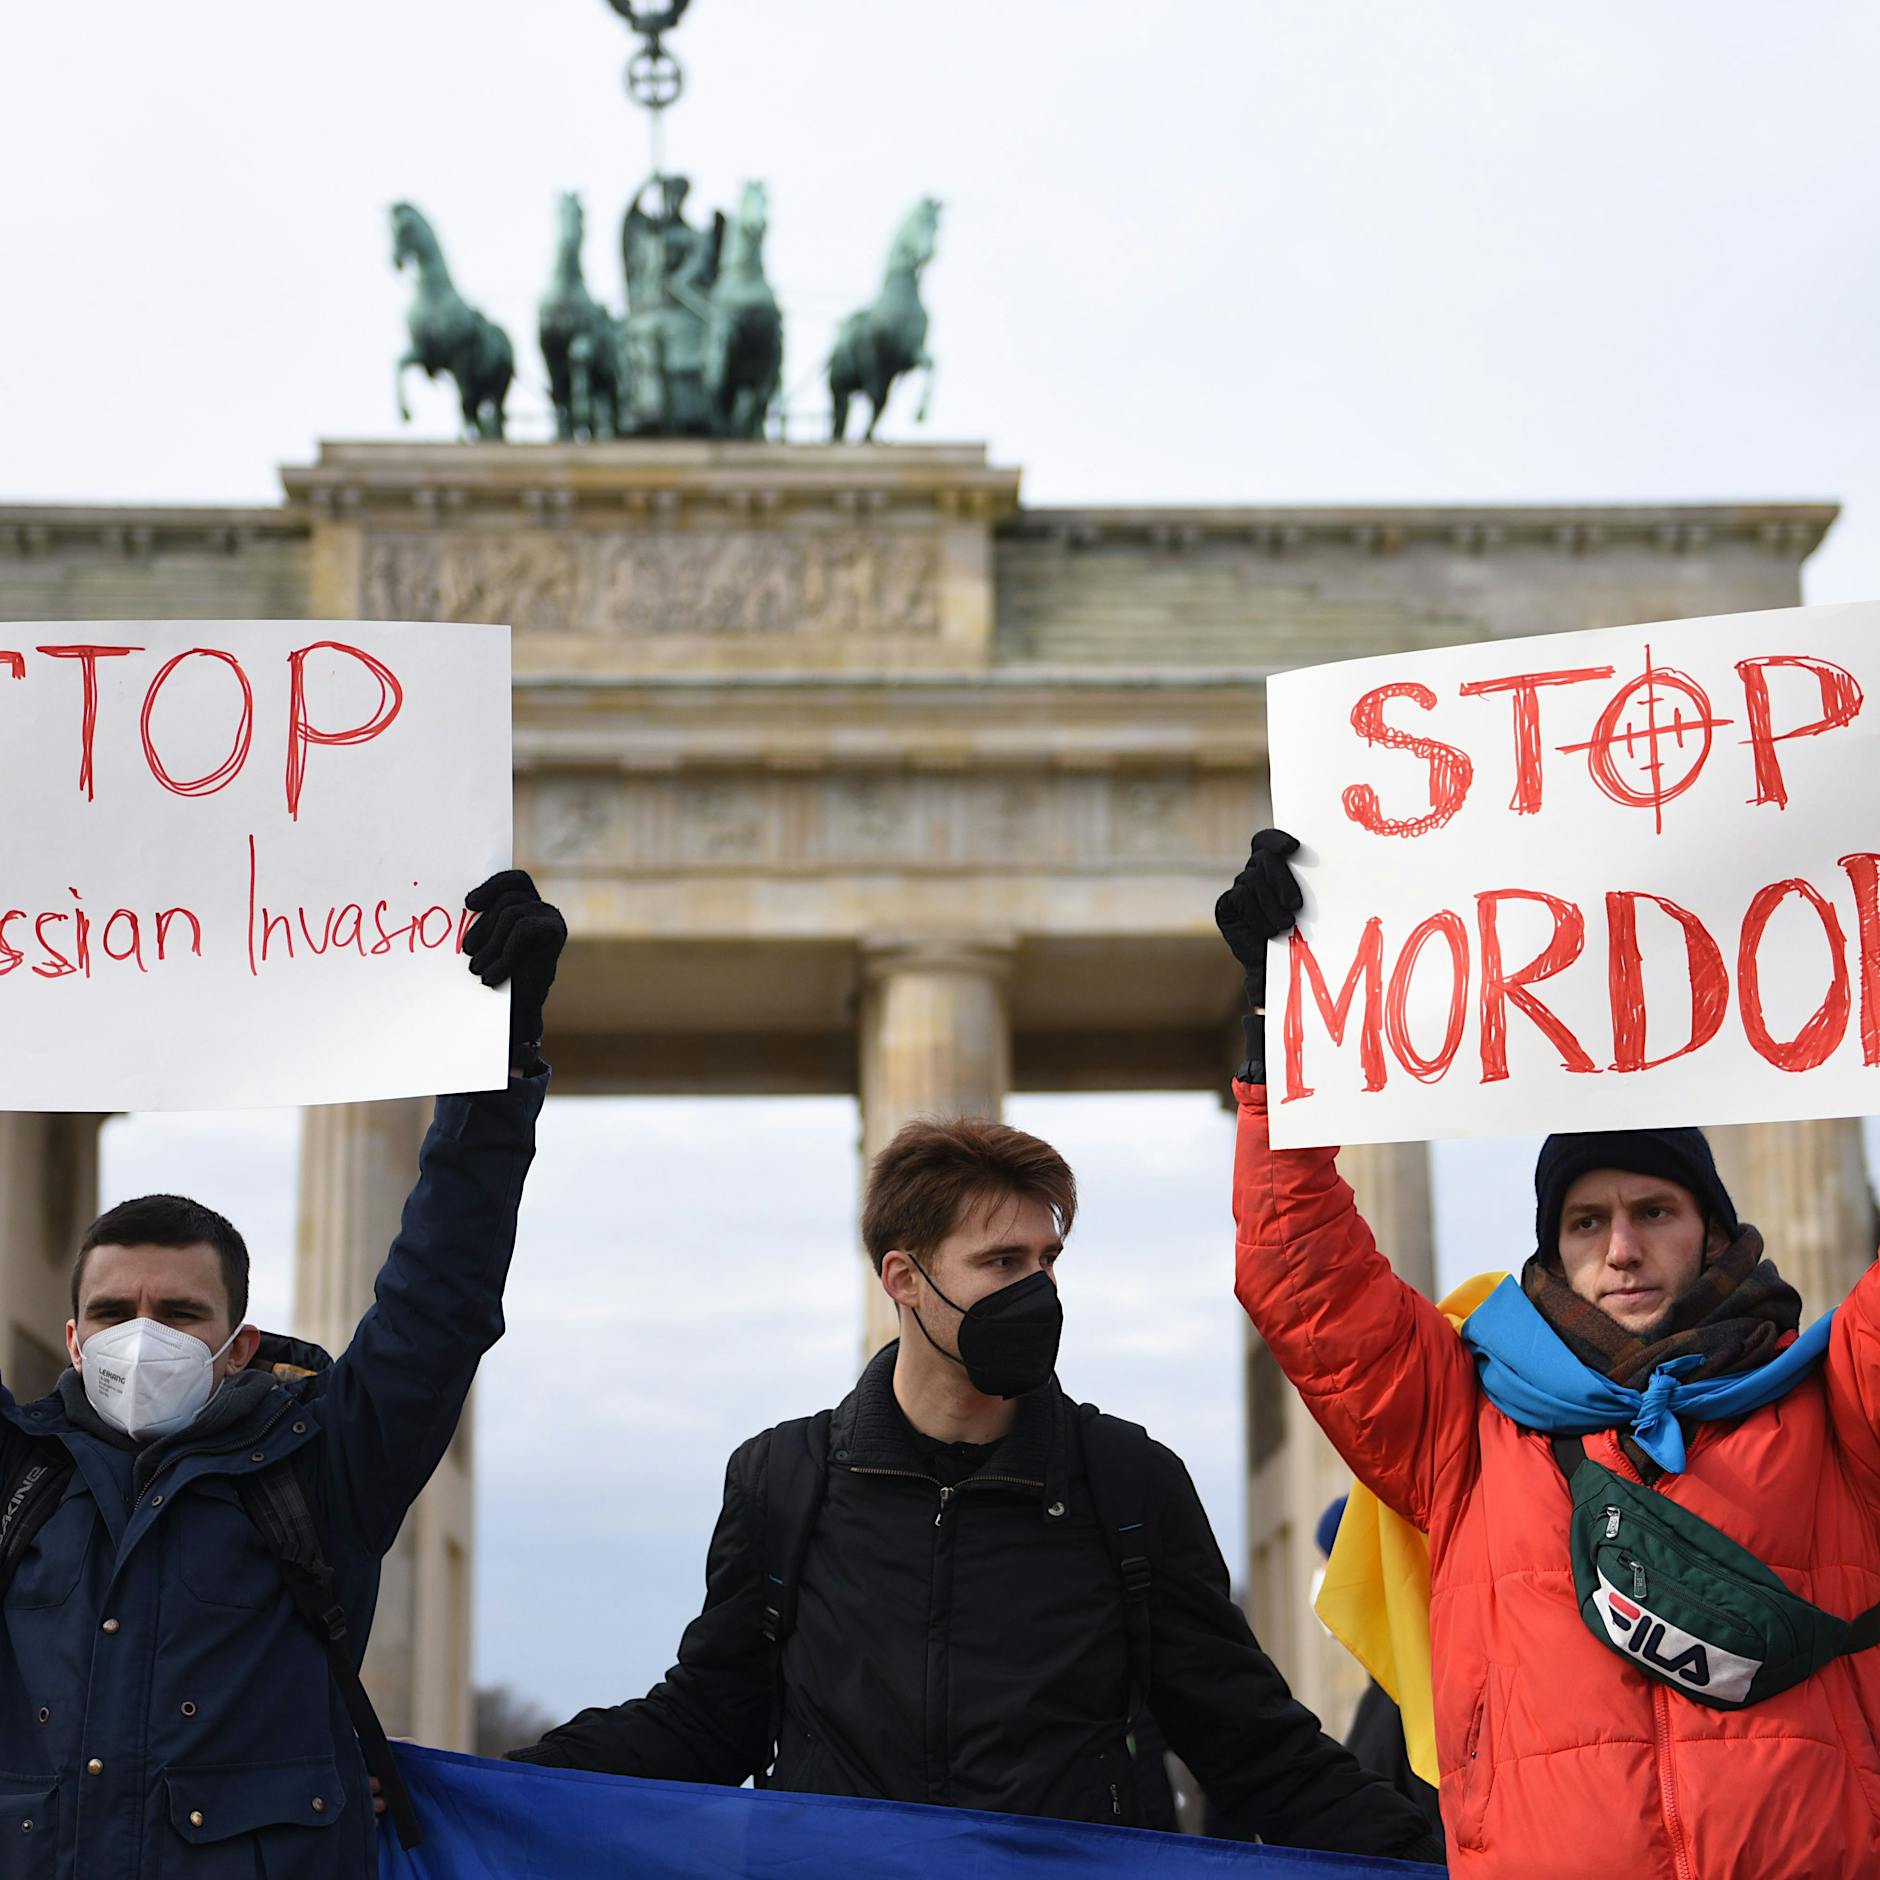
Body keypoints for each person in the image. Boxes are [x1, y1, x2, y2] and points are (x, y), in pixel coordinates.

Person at [1218, 827, 1880, 1878]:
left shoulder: (1829, 1405)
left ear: (1711, 1229)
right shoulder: (1463, 1424)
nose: (1619, 1246)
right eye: (1583, 1221)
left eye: (1652, 1209)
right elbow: (1300, 1273)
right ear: (1552, 1247)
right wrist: (1280, 1050)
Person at [510, 1115, 1442, 1861]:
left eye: (1048, 1261)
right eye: (1002, 1264)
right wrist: (486, 1785)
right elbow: (707, 1721)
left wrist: (1444, 1853)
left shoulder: (1126, 1481)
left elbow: (1249, 1739)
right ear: (904, 1280)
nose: (1038, 1289)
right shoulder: (782, 1482)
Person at [0, 869, 566, 1879]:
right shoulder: (17, 1476)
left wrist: (495, 1058)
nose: (143, 1335)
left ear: (241, 1342)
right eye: (112, 1311)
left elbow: (440, 1297)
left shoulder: (319, 1471)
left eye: (180, 1312)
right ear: (74, 1340)